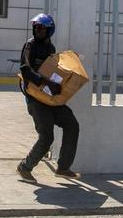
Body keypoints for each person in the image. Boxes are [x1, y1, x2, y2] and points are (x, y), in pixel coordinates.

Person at [16, 13, 80, 182]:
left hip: (49, 97)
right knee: (47, 137)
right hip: (35, 98)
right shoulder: (30, 45)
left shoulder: (51, 49)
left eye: (42, 28)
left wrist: (71, 61)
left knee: (72, 124)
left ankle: (63, 167)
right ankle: (25, 167)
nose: (38, 30)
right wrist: (46, 82)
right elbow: (25, 70)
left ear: (50, 30)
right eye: (36, 27)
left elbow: (54, 69)